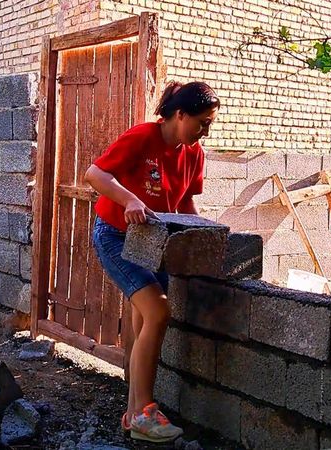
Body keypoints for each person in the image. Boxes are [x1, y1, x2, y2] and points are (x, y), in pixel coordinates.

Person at [84, 80, 220, 443]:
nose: (206, 131)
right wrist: (129, 199)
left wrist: (204, 232)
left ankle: (133, 414)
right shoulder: (143, 137)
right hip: (115, 236)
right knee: (158, 310)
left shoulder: (194, 154)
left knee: (145, 316)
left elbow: (186, 205)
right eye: (202, 122)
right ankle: (145, 412)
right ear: (179, 114)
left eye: (210, 123)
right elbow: (95, 175)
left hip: (154, 240)